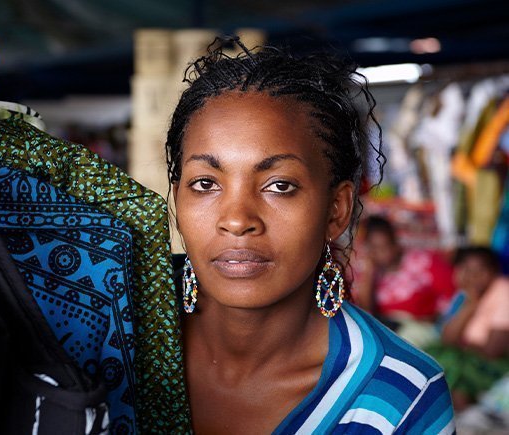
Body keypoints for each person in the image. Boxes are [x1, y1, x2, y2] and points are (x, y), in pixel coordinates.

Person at [165, 37, 454, 433]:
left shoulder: (400, 398)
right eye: (205, 184)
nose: (236, 220)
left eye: (279, 185)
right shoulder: (109, 322)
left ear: (336, 210)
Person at [428, 246, 509, 410]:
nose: (474, 277)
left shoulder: (503, 291)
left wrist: (462, 348)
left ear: (493, 271)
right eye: (468, 270)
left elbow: (493, 350)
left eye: (480, 270)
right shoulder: (465, 295)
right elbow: (447, 339)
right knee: (431, 355)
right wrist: (471, 305)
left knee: (451, 364)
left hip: (495, 365)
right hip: (468, 359)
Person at [354, 215, 456, 321]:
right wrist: (369, 273)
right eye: (373, 248)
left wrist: (434, 320)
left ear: (394, 241)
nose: (379, 253)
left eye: (383, 246)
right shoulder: (368, 276)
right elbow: (365, 313)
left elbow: (453, 296)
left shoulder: (423, 262)